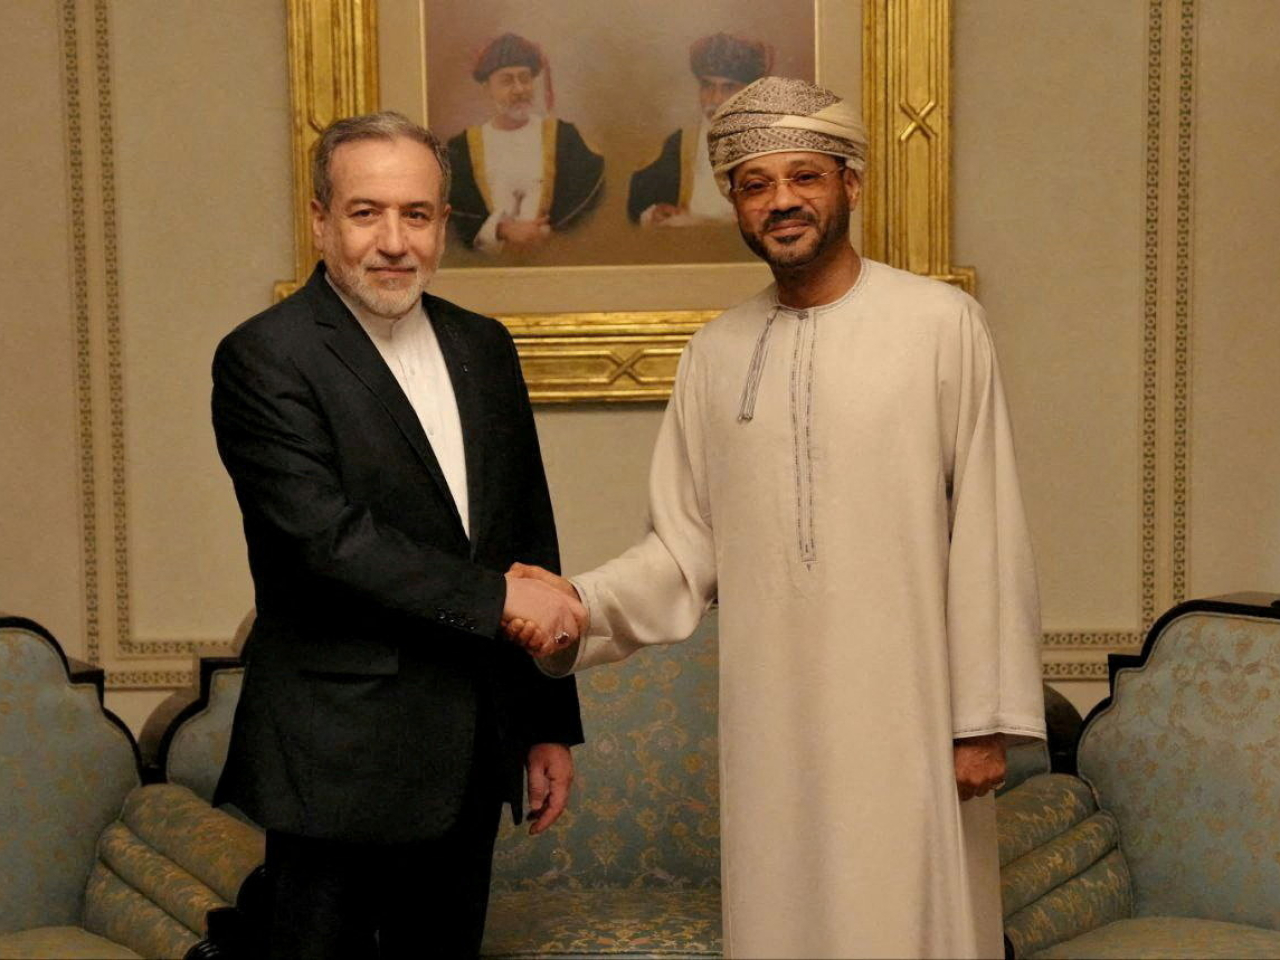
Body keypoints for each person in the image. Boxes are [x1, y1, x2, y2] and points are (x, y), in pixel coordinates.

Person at [508, 77, 1046, 958]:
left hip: (912, 717)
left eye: (806, 176)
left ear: (851, 185)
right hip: (772, 728)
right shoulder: (715, 354)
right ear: (734, 201)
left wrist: (980, 720)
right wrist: (575, 604)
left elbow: (987, 528)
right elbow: (683, 554)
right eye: (756, 184)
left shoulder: (942, 326)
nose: (783, 200)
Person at [210, 110, 586, 959]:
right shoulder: (263, 356)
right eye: (365, 212)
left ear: (442, 225)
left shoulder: (483, 347)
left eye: (416, 215)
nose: (393, 241)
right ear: (319, 219)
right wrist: (499, 599)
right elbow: (323, 540)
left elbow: (526, 530)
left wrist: (544, 719)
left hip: (470, 756)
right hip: (335, 757)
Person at [447, 33, 604, 253]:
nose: (520, 89)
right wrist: (501, 230)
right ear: (487, 88)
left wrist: (552, 232)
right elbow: (452, 218)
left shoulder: (565, 138)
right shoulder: (462, 149)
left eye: (525, 78)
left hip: (553, 261)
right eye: (507, 80)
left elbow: (592, 200)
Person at [626, 33, 771, 226]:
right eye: (707, 86)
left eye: (728, 88)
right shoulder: (680, 143)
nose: (715, 99)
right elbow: (638, 204)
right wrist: (656, 212)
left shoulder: (772, 142)